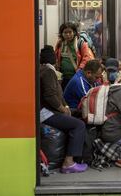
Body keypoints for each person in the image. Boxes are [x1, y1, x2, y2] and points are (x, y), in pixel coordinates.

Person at [39, 45, 88, 174]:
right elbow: (50, 95)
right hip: (46, 113)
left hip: (44, 111)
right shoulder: (48, 72)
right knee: (79, 125)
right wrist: (62, 109)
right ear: (54, 59)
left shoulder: (41, 70)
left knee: (75, 116)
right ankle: (69, 162)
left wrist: (66, 108)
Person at [55, 22, 95, 90]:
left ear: (74, 32)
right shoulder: (60, 43)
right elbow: (56, 57)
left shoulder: (81, 43)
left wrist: (79, 70)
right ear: (62, 34)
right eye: (65, 32)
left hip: (76, 77)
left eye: (70, 32)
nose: (68, 35)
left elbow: (87, 57)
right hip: (63, 77)